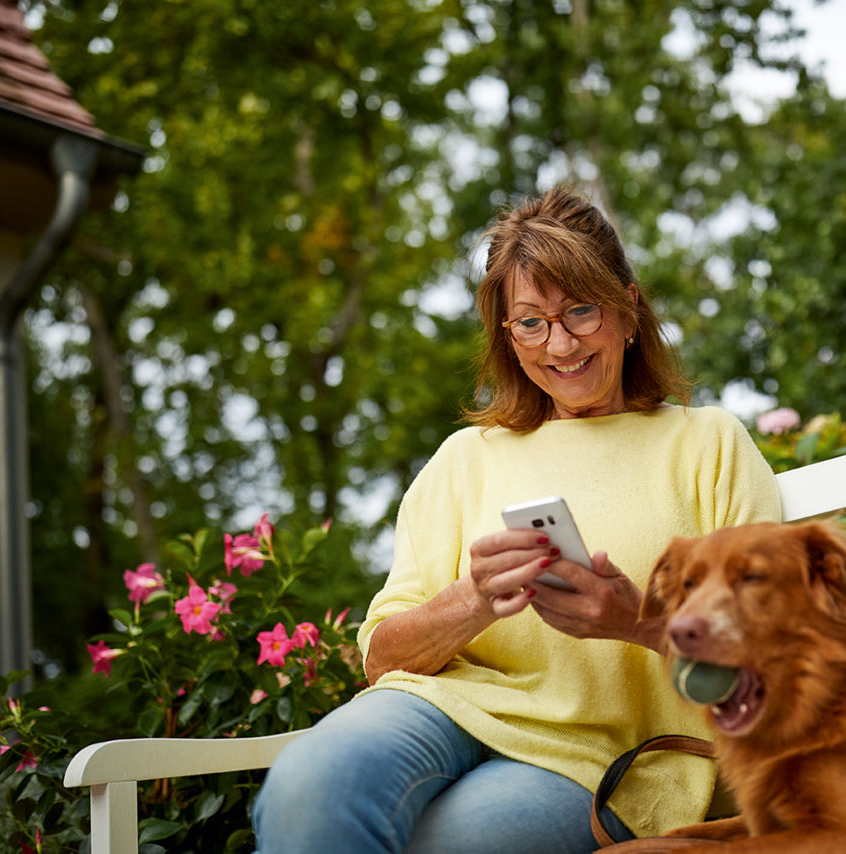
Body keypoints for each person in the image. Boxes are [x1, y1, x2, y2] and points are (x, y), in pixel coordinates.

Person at [252, 186, 782, 853]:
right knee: (309, 782)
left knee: (446, 846)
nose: (559, 343)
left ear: (627, 307)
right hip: (441, 709)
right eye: (530, 322)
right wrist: (471, 602)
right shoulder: (463, 459)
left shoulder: (707, 443)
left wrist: (634, 622)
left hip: (602, 758)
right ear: (508, 335)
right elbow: (382, 656)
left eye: (581, 311)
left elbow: (774, 648)